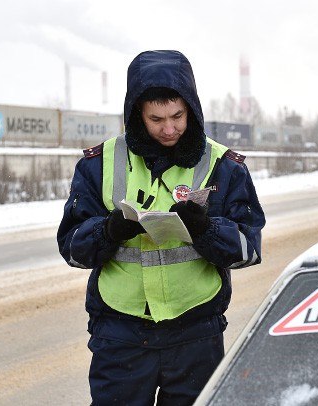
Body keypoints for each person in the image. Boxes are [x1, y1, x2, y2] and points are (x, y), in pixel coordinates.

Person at [57, 50, 265, 405]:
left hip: (196, 336)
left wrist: (207, 230)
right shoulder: (98, 164)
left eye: (177, 116)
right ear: (136, 114)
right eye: (156, 119)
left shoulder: (225, 167)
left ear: (192, 109)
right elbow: (72, 250)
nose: (169, 129)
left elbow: (249, 250)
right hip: (121, 336)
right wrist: (106, 231)